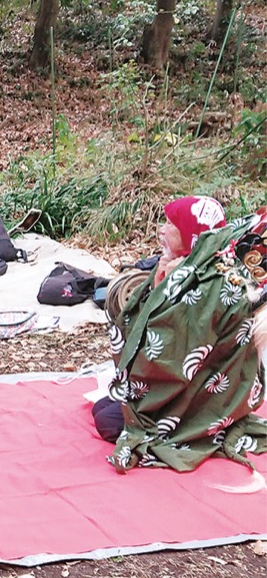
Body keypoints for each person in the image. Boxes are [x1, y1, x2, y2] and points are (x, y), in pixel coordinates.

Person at [96, 196, 267, 473]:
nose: (161, 230)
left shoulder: (207, 286)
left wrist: (167, 289)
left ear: (190, 234)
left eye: (170, 224)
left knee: (109, 420)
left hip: (200, 398)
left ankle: (185, 425)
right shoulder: (193, 266)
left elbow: (166, 357)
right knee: (108, 409)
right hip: (197, 387)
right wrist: (160, 282)